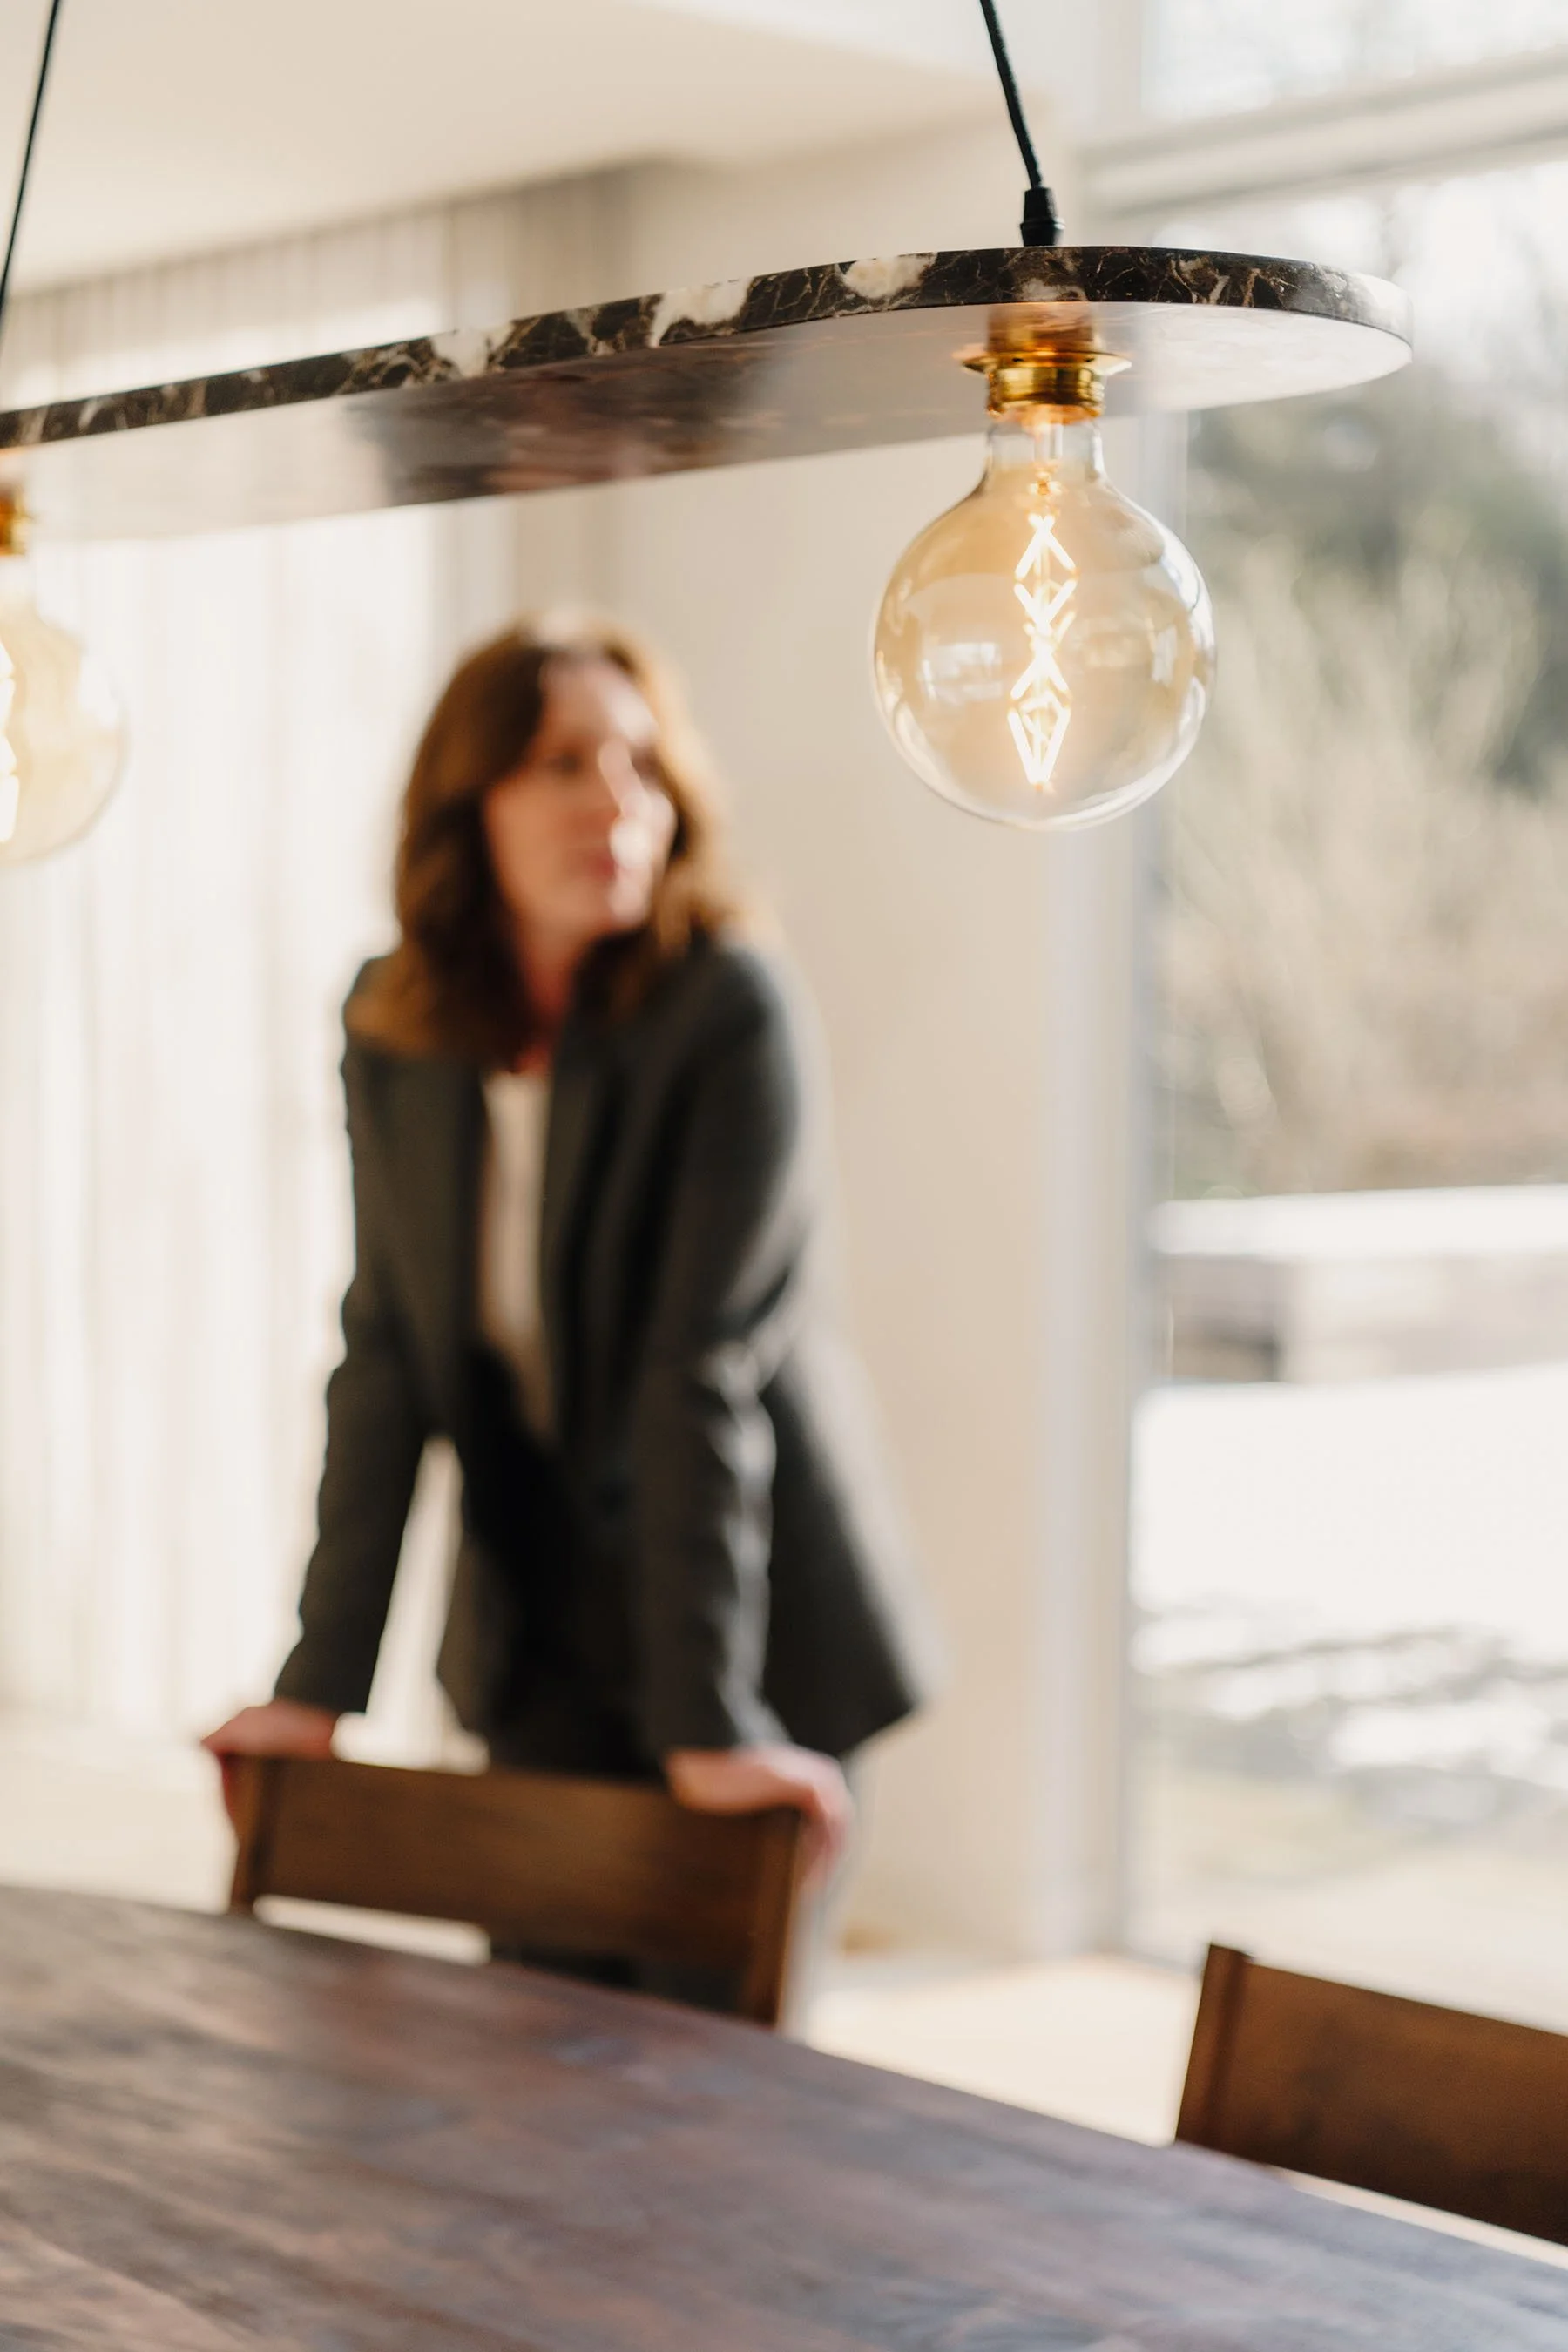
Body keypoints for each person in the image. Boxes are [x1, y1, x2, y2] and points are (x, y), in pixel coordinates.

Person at [204, 613, 924, 1949]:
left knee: (707, 2119)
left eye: (644, 765)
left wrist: (708, 1729)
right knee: (522, 2084)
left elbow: (693, 1374)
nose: (616, 801)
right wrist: (317, 1685)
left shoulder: (729, 1011)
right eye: (563, 762)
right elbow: (389, 1358)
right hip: (541, 1651)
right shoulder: (393, 1028)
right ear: (465, 805)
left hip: (747, 1638)